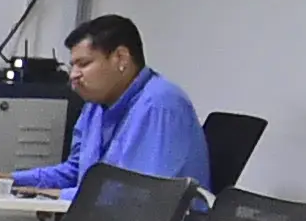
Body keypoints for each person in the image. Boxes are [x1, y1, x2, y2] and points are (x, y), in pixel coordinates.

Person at [11, 13, 207, 205]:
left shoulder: (160, 105)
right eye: (72, 66)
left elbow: (140, 194)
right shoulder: (95, 105)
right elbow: (74, 173)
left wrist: (53, 196)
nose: (73, 75)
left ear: (121, 58)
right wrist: (9, 180)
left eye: (84, 64)